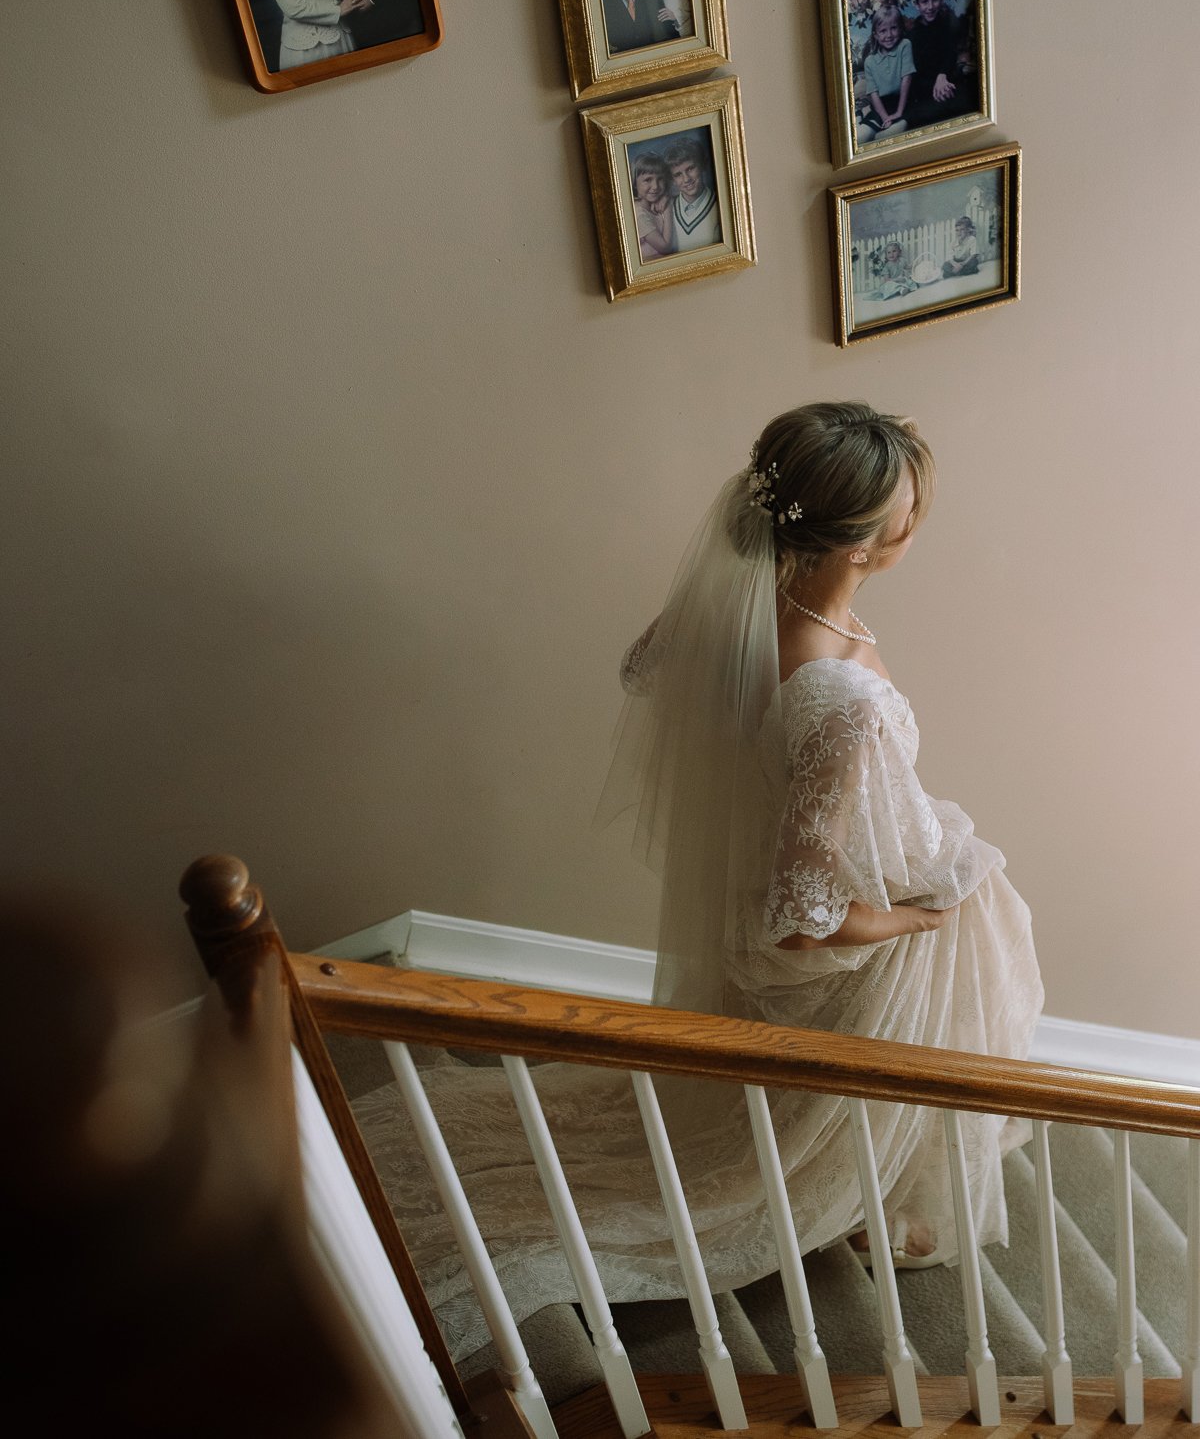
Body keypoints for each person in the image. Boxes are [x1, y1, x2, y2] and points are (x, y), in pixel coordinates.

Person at [354, 402, 1042, 1356]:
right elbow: (804, 923)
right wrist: (914, 922)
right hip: (873, 930)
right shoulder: (838, 693)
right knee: (862, 1093)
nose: (914, 527)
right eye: (906, 513)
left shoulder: (746, 607)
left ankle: (859, 1193)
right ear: (864, 543)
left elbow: (646, 669)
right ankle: (843, 1203)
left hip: (816, 868)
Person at [905, 0, 979, 127]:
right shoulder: (913, 35)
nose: (930, 6)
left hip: (947, 83)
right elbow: (916, 73)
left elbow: (950, 54)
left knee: (969, 105)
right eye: (925, 2)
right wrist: (938, 83)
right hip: (925, 91)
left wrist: (943, 76)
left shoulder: (947, 23)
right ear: (916, 4)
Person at [856, 4, 915, 143]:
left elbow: (906, 79)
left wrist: (899, 112)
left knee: (896, 132)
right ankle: (859, 117)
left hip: (902, 104)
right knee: (860, 137)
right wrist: (885, 118)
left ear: (900, 29)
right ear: (875, 35)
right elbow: (873, 93)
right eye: (883, 31)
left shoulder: (905, 45)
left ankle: (879, 137)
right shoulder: (870, 61)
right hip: (880, 107)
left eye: (893, 28)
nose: (889, 35)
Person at [665, 141, 721, 250]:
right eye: (678, 174)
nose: (686, 179)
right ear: (672, 180)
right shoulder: (667, 209)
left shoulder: (720, 205)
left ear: (702, 166)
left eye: (690, 168)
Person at [630, 151, 676, 262]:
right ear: (635, 184)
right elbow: (665, 248)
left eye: (660, 179)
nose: (655, 186)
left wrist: (666, 197)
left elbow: (678, 187)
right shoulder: (639, 215)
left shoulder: (655, 201)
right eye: (647, 180)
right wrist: (668, 207)